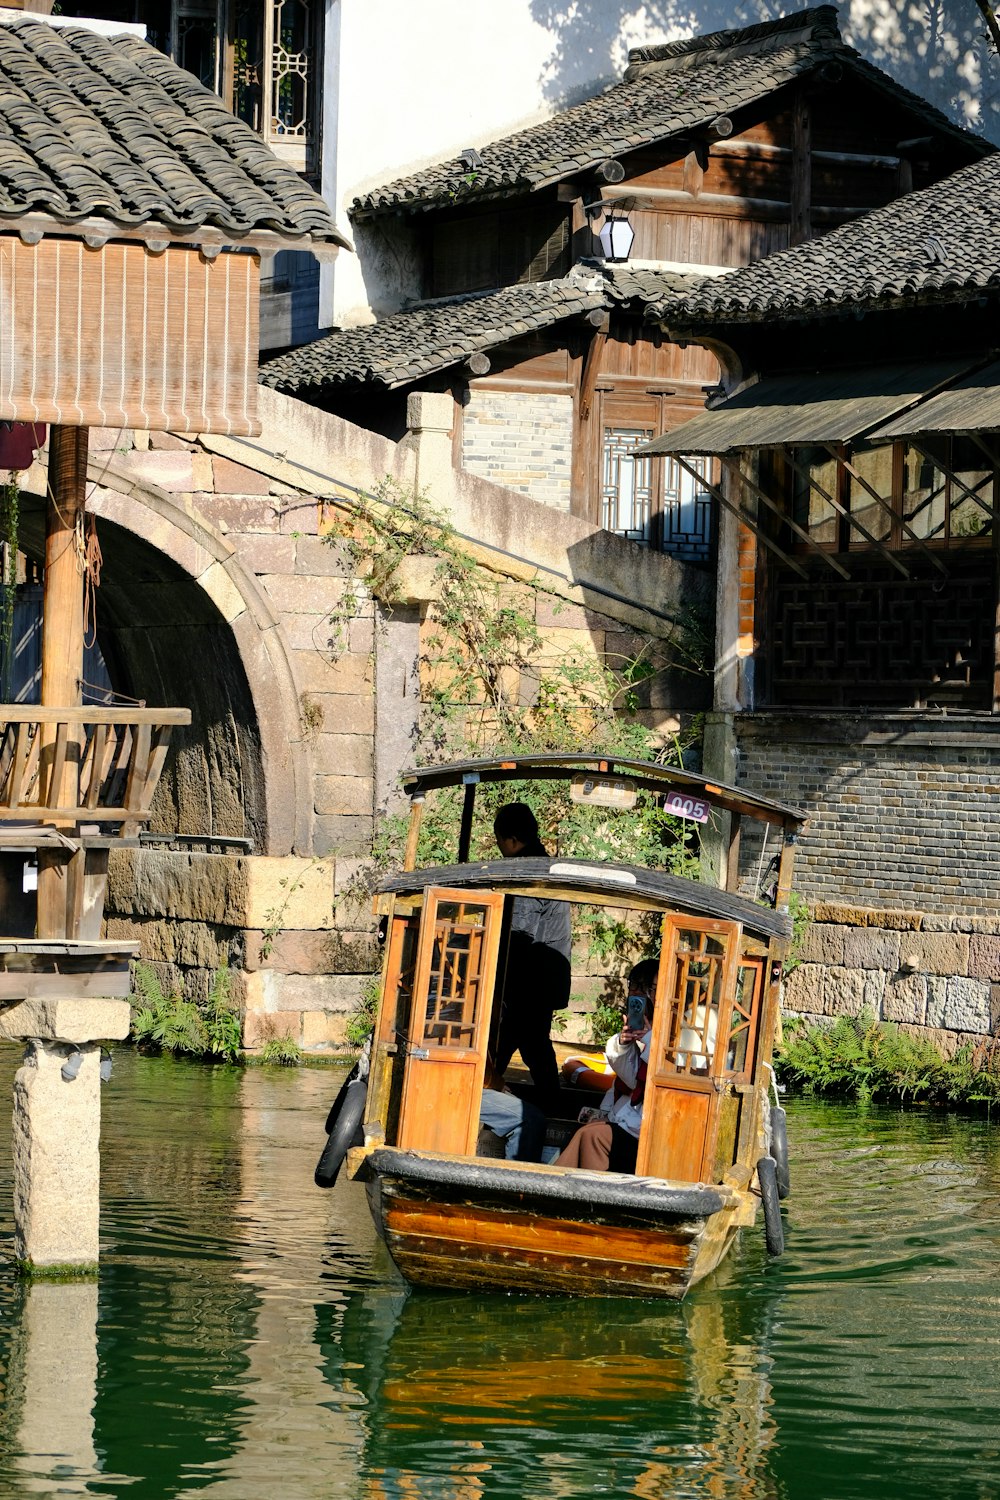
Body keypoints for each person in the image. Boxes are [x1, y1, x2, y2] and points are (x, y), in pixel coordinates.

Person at [491, 803, 571, 1113]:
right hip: (543, 978)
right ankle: (552, 1106)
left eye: (499, 840)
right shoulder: (543, 865)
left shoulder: (527, 873)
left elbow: (519, 934)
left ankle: (481, 1098)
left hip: (529, 981)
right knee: (533, 1045)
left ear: (511, 840)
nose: (499, 848)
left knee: (508, 1043)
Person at [554, 958, 659, 1175]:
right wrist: (625, 1043)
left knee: (592, 1136)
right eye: (634, 986)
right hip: (625, 1117)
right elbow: (628, 1079)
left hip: (651, 1127)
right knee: (590, 1130)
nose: (637, 993)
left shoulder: (679, 1029)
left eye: (647, 988)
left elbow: (659, 1077)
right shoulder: (644, 1023)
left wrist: (649, 1039)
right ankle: (552, 1187)